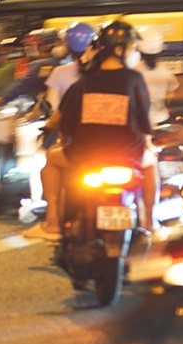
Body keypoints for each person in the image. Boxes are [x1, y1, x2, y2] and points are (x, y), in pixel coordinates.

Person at [44, 21, 155, 244]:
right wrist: (149, 141)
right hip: (128, 156)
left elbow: (65, 123)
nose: (135, 51)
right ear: (120, 48)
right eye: (133, 46)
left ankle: (53, 222)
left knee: (50, 160)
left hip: (85, 157)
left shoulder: (84, 82)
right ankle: (148, 221)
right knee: (151, 163)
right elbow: (144, 122)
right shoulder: (134, 80)